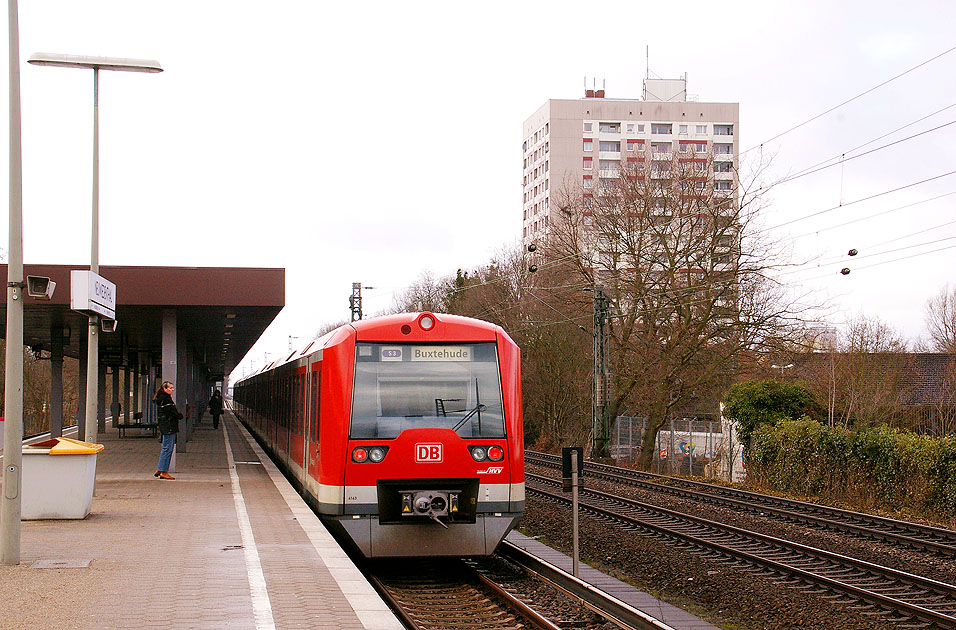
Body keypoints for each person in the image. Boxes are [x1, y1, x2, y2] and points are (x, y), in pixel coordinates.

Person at [153, 381, 182, 480]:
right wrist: (179, 415)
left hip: (165, 425)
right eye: (170, 388)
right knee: (168, 449)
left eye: (172, 388)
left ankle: (160, 469)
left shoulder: (161, 398)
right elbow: (171, 413)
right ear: (165, 389)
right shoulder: (166, 399)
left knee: (165, 447)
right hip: (169, 426)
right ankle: (164, 471)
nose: (172, 389)